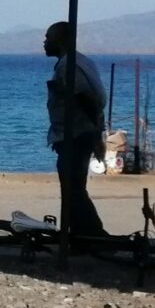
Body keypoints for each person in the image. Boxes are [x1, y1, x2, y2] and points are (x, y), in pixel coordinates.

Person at [44, 20, 107, 240]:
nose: (44, 43)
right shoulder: (78, 62)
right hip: (77, 134)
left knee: (73, 189)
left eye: (48, 38)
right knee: (73, 187)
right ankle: (80, 235)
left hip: (77, 135)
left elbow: (86, 97)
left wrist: (93, 132)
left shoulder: (69, 66)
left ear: (60, 40)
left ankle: (93, 235)